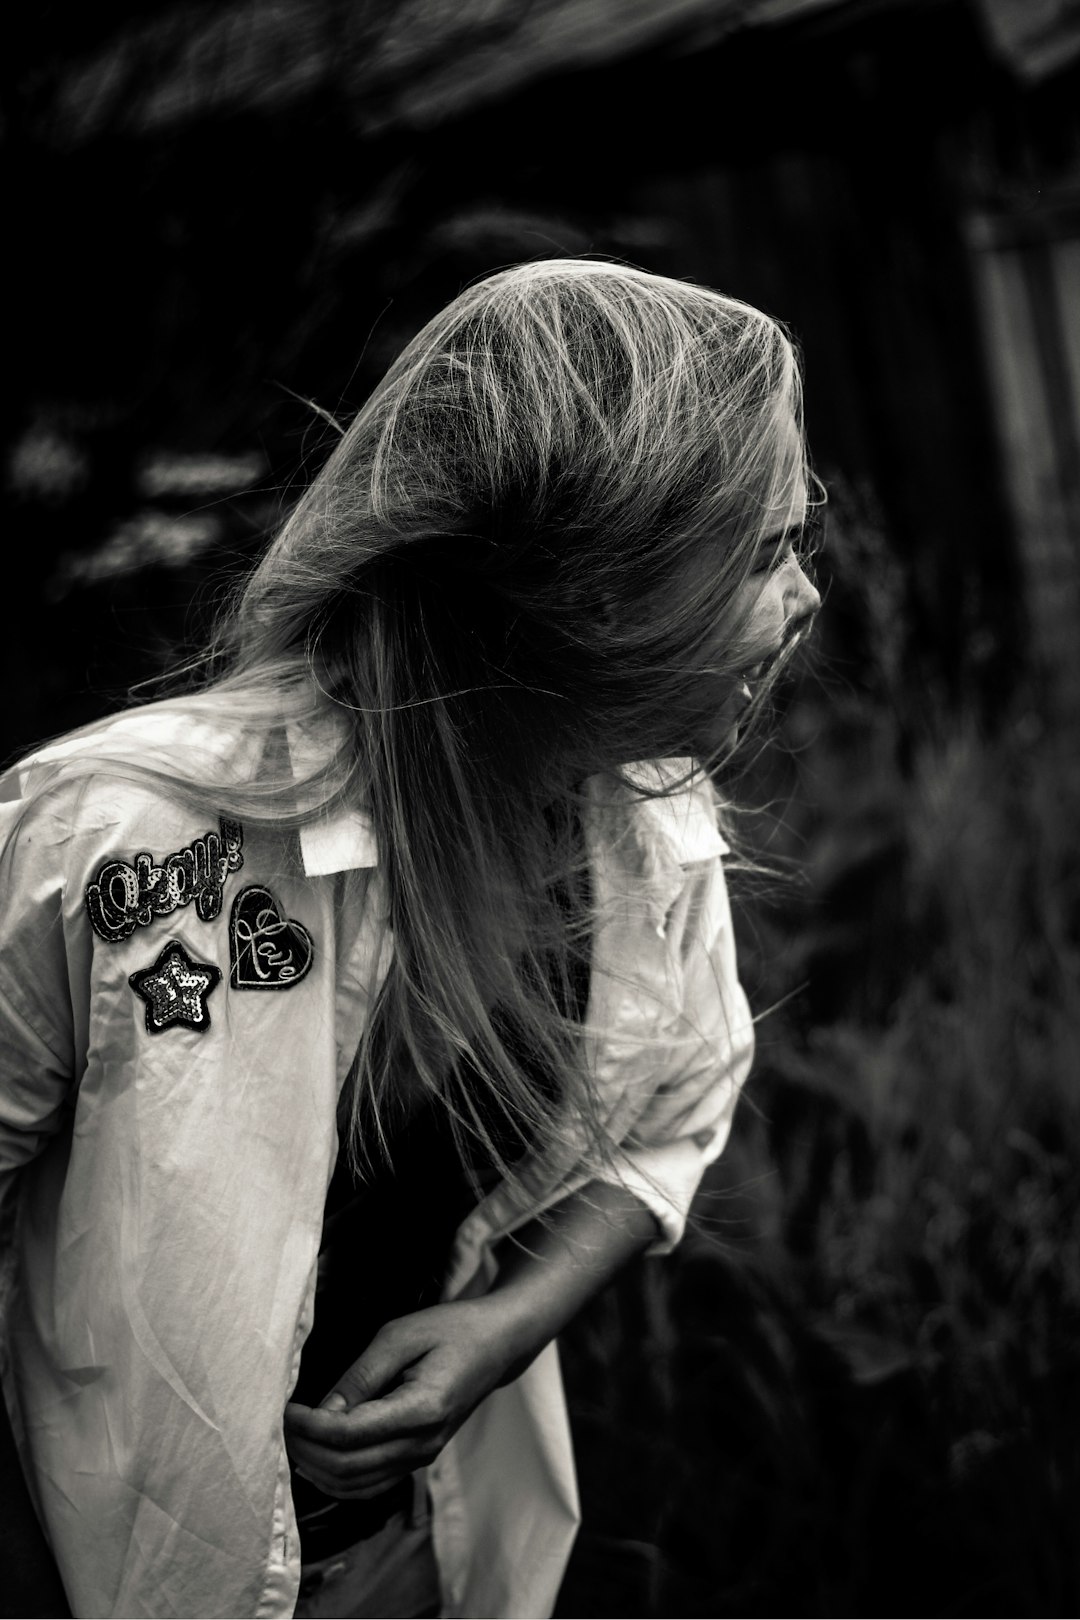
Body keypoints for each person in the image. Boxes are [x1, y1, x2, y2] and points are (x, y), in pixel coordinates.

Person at [0, 259, 820, 1619]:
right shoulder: (121, 849)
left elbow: (685, 1104)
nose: (806, 602)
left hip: (421, 1565)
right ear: (597, 596)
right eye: (764, 555)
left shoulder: (638, 818)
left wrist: (507, 1327)